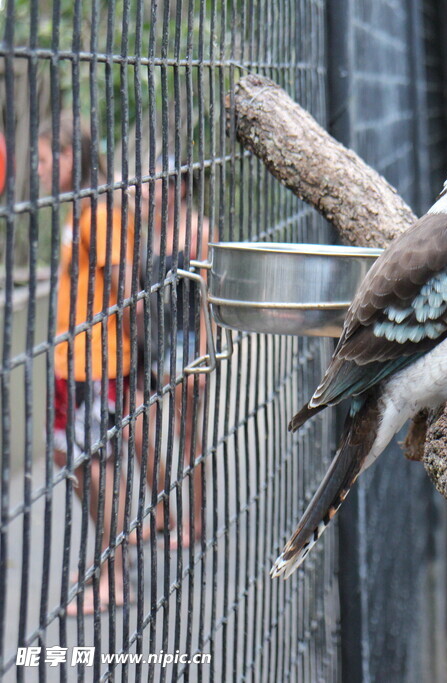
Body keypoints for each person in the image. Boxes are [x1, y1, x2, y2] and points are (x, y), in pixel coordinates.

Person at [40, 114, 133, 615]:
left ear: (68, 156)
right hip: (71, 362)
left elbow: (128, 291)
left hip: (97, 361)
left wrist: (132, 357)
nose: (37, 168)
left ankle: (116, 578)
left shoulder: (100, 214)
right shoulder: (76, 212)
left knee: (99, 464)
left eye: (44, 158)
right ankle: (107, 556)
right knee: (70, 458)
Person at [135, 154, 213, 550]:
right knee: (138, 428)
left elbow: (207, 297)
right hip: (152, 344)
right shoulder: (151, 230)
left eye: (158, 183)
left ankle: (194, 522)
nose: (150, 190)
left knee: (186, 437)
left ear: (179, 187)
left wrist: (203, 357)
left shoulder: (198, 229)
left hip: (185, 344)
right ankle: (163, 510)